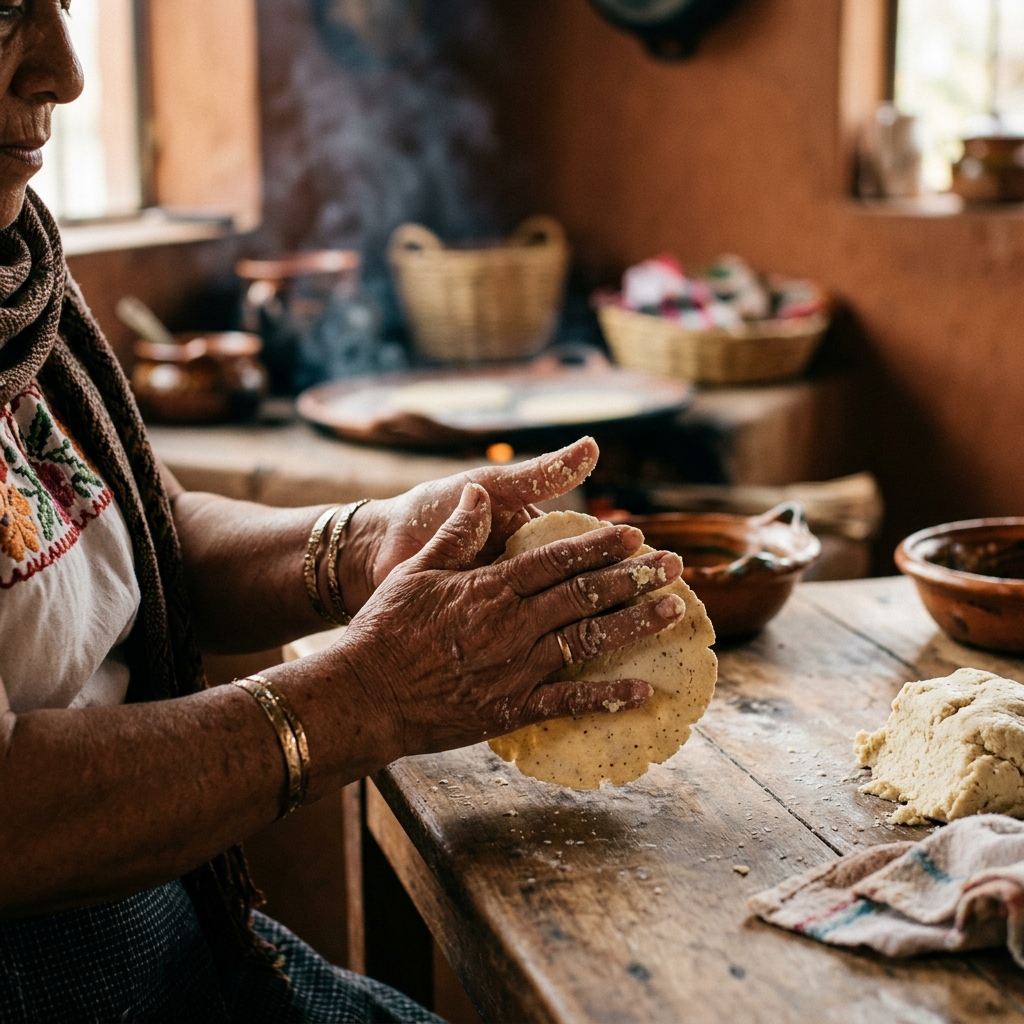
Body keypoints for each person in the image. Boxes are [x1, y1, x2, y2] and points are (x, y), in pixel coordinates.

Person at [0, 2, 686, 1021]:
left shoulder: (17, 280)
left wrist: (367, 542)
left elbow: (155, 540)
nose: (64, 71)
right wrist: (364, 697)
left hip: (180, 928)